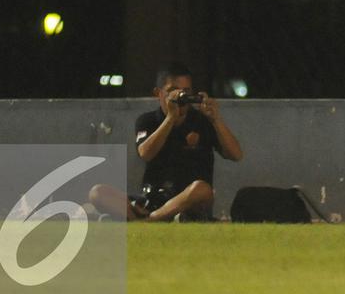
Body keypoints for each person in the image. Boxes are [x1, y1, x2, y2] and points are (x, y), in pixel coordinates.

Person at [89, 62, 244, 220]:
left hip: (189, 200)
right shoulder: (148, 120)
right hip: (154, 199)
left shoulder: (202, 121)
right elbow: (145, 153)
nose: (181, 97)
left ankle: (148, 221)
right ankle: (145, 217)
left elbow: (236, 155)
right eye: (173, 91)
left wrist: (216, 119)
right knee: (98, 192)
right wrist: (170, 118)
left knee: (202, 189)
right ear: (158, 93)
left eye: (186, 91)